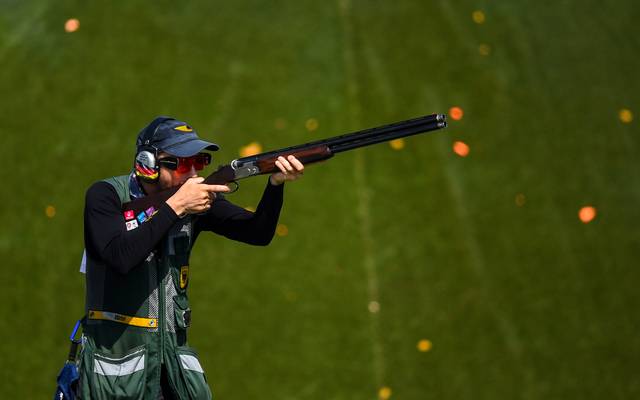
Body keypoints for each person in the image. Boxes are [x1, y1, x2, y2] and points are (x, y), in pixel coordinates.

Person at [77, 116, 304, 399]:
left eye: (201, 161)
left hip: (171, 373)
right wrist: (177, 205)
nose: (195, 172)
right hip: (115, 378)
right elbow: (120, 257)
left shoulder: (197, 202)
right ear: (148, 163)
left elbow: (258, 232)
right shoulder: (105, 196)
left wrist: (275, 184)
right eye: (184, 163)